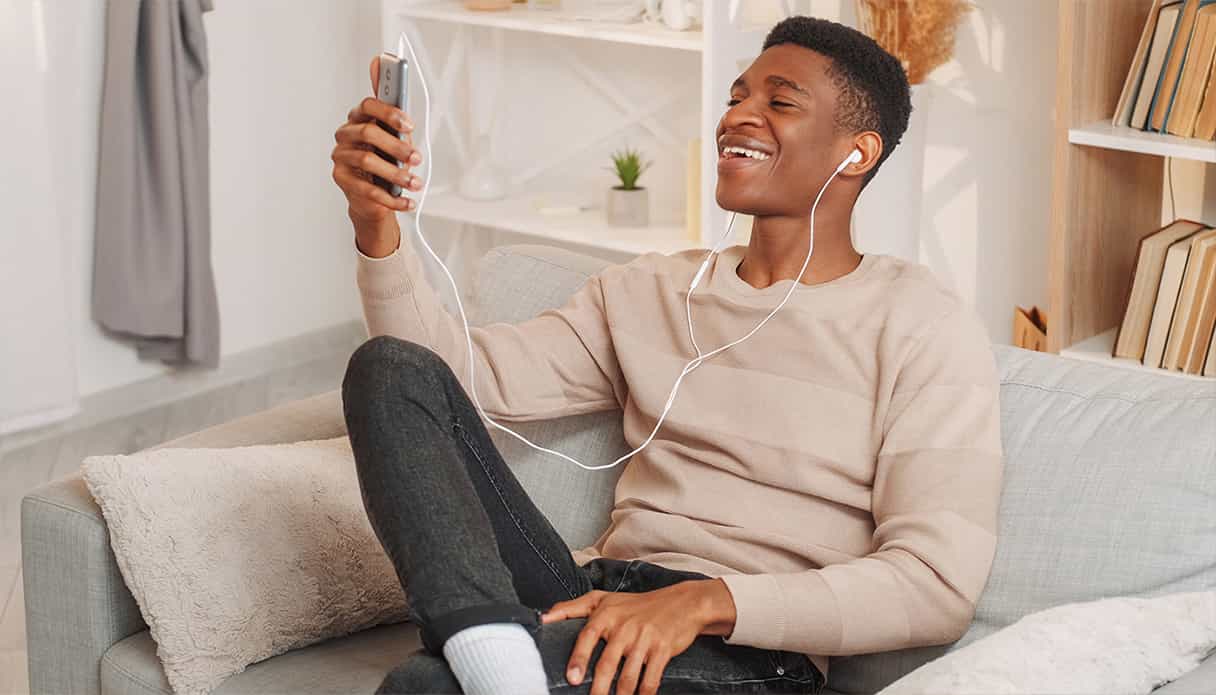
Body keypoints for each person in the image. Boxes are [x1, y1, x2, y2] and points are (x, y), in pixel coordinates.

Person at [330, 15, 1003, 695]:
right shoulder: (654, 288)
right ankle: (493, 654)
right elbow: (464, 379)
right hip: (590, 590)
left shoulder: (922, 324)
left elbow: (936, 584)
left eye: (780, 102)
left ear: (855, 154)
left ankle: (487, 672)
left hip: (749, 647)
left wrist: (705, 601)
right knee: (391, 367)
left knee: (427, 687)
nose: (739, 116)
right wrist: (375, 225)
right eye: (738, 97)